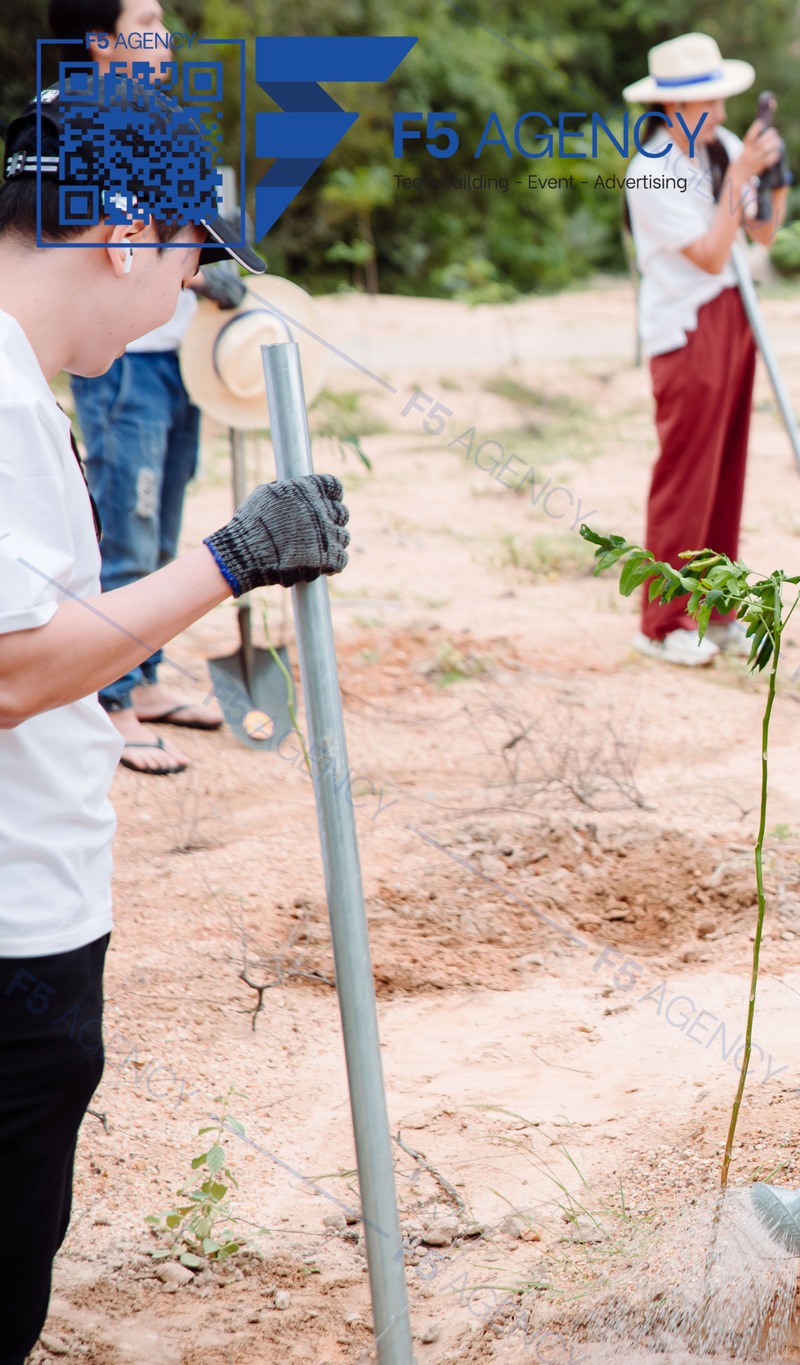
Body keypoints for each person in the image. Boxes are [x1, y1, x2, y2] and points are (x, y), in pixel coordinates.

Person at [0, 84, 349, 1360]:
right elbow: (13, 673)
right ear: (128, 235)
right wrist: (232, 559)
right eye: (191, 260)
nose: (180, 300)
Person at [48, 0, 253, 775]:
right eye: (147, 22)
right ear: (100, 42)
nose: (163, 39)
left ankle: (148, 672)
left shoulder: (163, 121)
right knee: (126, 518)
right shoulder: (79, 127)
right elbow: (108, 241)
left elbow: (200, 223)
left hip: (178, 350)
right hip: (120, 356)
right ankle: (113, 698)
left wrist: (212, 270)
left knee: (164, 507)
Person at [620, 32, 786, 667]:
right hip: (685, 329)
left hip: (735, 315)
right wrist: (738, 177)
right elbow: (713, 252)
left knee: (726, 470)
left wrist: (771, 176)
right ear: (669, 109)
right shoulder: (652, 172)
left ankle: (715, 610)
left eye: (717, 101)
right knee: (687, 473)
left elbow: (762, 231)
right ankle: (662, 623)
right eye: (705, 104)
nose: (718, 114)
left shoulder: (722, 150)